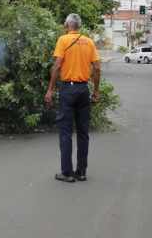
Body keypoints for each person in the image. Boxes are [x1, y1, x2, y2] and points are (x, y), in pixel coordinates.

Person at [44, 14, 101, 182]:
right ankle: (81, 172)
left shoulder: (63, 40)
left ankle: (67, 173)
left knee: (65, 132)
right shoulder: (89, 42)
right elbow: (97, 68)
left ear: (67, 25)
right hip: (84, 89)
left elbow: (57, 66)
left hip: (68, 90)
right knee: (83, 133)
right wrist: (96, 91)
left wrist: (50, 90)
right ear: (79, 26)